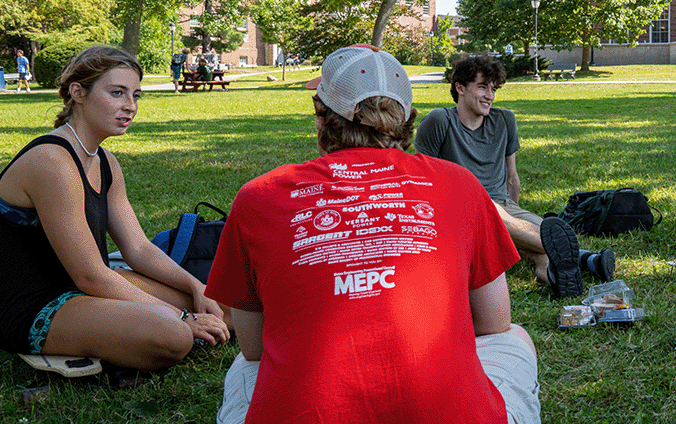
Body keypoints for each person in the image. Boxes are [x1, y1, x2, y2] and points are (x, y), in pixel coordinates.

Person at [206, 45, 539, 424]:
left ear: (321, 116)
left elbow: (252, 347)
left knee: (243, 368)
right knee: (514, 337)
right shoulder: (458, 184)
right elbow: (495, 321)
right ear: (406, 118)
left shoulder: (258, 197)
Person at [0, 46, 229, 370]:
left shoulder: (105, 162)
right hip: (36, 305)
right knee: (175, 333)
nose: (129, 106)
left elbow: (139, 248)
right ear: (78, 92)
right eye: (117, 93)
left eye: (135, 95)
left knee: (223, 308)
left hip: (87, 289)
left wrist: (196, 287)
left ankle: (122, 331)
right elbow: (89, 275)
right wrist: (183, 317)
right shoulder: (52, 162)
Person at [415, 53, 615, 299]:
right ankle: (586, 259)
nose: (489, 95)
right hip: (458, 211)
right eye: (482, 87)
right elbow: (422, 181)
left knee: (546, 235)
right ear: (460, 88)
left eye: (493, 89)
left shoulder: (505, 120)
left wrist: (514, 228)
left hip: (504, 207)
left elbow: (512, 178)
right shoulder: (439, 121)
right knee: (544, 237)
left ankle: (550, 273)